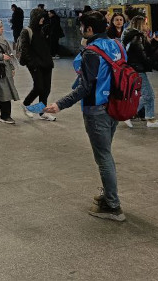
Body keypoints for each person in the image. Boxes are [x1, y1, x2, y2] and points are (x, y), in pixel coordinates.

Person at [44, 11, 126, 222]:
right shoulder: (117, 45)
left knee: (103, 157)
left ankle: (113, 206)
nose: (81, 30)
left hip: (96, 109)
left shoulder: (91, 52)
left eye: (82, 27)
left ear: (89, 29)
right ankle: (108, 194)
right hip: (115, 106)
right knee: (106, 152)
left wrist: (59, 104)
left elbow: (85, 87)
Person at [121, 16, 158, 129]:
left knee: (147, 95)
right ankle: (138, 116)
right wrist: (155, 66)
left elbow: (146, 51)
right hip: (137, 69)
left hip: (134, 69)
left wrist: (154, 41)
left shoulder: (134, 36)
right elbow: (142, 56)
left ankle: (144, 117)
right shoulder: (137, 37)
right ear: (140, 25)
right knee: (148, 95)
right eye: (145, 24)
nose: (147, 26)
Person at [17, 9, 56, 121]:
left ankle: (42, 112)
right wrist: (32, 63)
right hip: (35, 65)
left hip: (47, 63)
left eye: (44, 17)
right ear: (35, 17)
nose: (43, 19)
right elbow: (25, 49)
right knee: (39, 87)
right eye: (41, 17)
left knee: (46, 89)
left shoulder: (42, 30)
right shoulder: (27, 31)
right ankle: (26, 104)